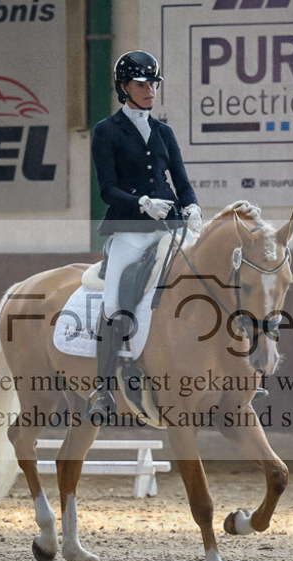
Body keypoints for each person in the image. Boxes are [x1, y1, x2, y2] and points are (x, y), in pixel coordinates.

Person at [87, 50, 203, 420]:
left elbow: (182, 183)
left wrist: (193, 206)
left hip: (170, 228)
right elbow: (106, 189)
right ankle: (103, 389)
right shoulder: (107, 131)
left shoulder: (164, 132)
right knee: (113, 304)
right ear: (124, 88)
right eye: (142, 84)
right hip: (130, 231)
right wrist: (141, 204)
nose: (150, 89)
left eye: (154, 83)